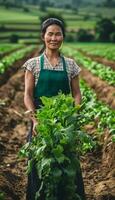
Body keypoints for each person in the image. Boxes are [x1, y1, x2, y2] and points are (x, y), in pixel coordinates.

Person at [23, 18, 86, 200]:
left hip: (64, 124)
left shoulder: (71, 65)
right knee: (39, 167)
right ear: (43, 36)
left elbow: (76, 94)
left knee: (68, 167)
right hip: (41, 122)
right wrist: (35, 120)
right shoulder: (33, 64)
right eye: (50, 34)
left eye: (58, 34)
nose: (54, 38)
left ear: (63, 37)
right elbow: (27, 95)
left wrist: (73, 116)